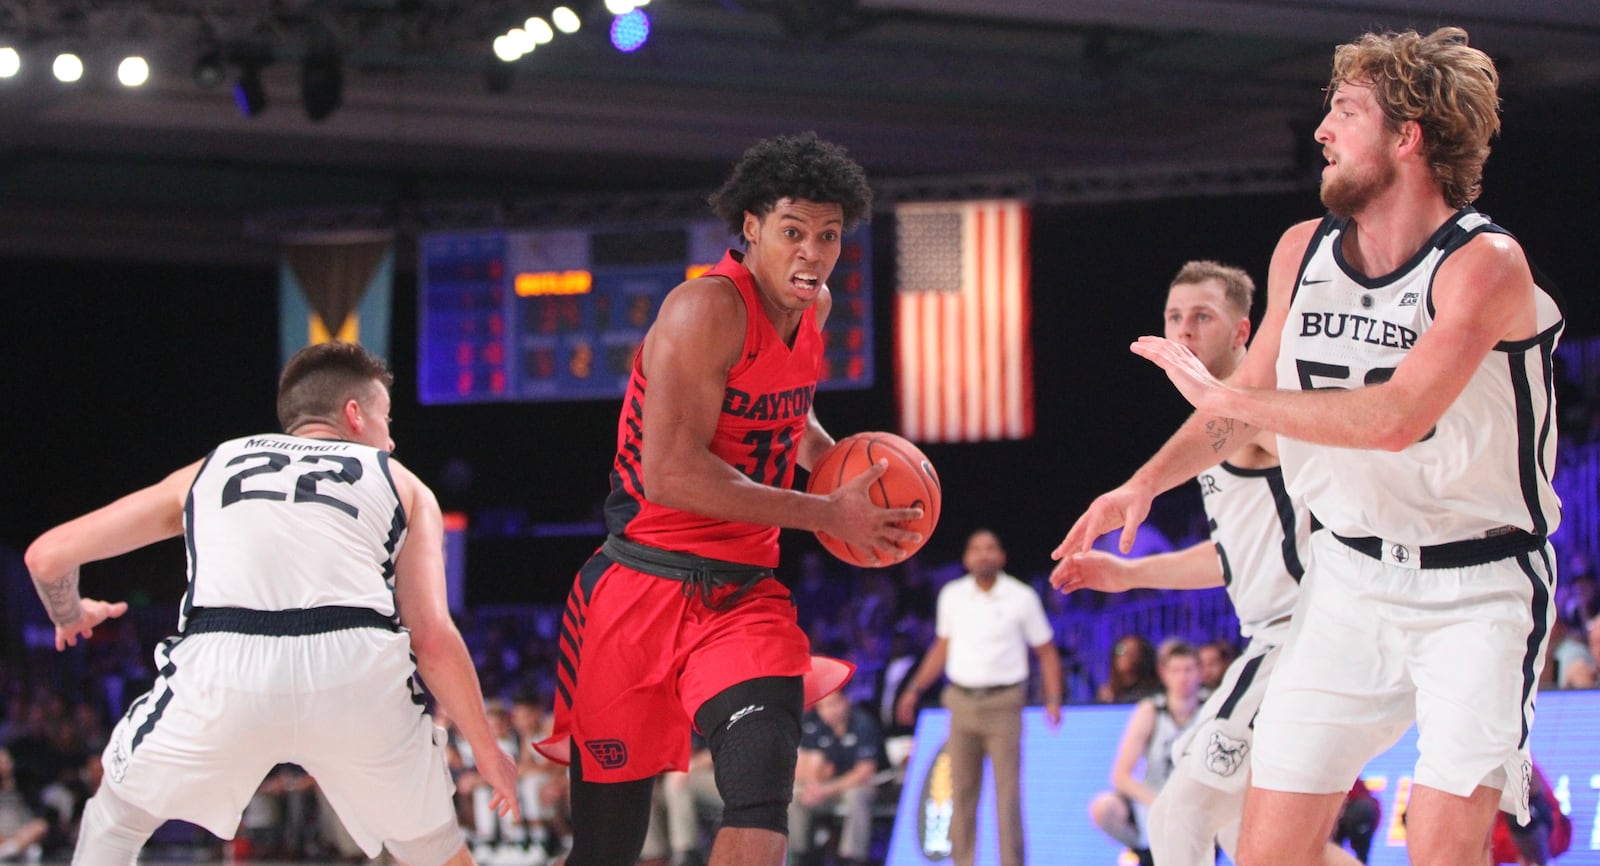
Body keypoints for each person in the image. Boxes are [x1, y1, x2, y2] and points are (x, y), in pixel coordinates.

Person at [1053, 26, 1563, 866]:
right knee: (1266, 852)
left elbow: (1398, 415)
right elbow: (1242, 409)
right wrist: (1142, 485)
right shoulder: (1305, 249)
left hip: (1479, 591)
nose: (1322, 130)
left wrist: (1232, 397)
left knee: (1442, 851)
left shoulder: (1485, 265)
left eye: (1345, 111)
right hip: (1347, 583)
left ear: (1408, 136)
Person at [531, 132, 921, 866]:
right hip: (639, 586)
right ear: (751, 227)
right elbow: (670, 475)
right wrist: (824, 513)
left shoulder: (816, 307)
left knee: (762, 788)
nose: (813, 252)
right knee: (607, 850)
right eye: (794, 232)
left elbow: (788, 414)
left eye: (829, 236)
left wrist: (839, 473)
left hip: (742, 596)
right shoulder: (701, 310)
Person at [23, 341, 520, 866]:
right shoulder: (404, 484)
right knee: (434, 851)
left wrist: (70, 614)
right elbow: (432, 639)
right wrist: (488, 753)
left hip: (224, 669)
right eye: (386, 419)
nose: (391, 440)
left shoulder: (211, 467)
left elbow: (46, 557)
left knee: (115, 822)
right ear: (354, 415)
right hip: (353, 674)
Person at [1055, 261, 1358, 866]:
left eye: (1202, 317)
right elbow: (1232, 558)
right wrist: (1131, 574)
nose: (1184, 330)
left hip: (1300, 636)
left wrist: (1142, 484)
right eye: (1174, 317)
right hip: (1296, 638)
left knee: (1179, 814)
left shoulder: (1257, 413)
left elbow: (1296, 439)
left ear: (1244, 331)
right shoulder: (1214, 435)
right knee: (1255, 838)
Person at [895, 529, 1062, 866]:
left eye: (991, 548)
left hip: (1004, 703)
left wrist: (1053, 697)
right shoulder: (952, 596)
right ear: (966, 558)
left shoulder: (1021, 596)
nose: (984, 554)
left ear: (1002, 557)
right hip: (961, 702)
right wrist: (913, 689)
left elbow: (1045, 650)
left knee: (1008, 794)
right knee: (962, 791)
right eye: (976, 549)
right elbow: (941, 647)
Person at [788, 691, 883, 866]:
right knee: (794, 795)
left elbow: (864, 771)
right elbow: (801, 768)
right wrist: (817, 782)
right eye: (823, 706)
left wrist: (827, 786)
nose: (829, 711)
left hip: (859, 785)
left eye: (834, 704)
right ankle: (799, 855)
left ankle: (852, 858)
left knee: (857, 795)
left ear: (846, 701)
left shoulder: (863, 723)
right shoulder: (813, 724)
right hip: (824, 788)